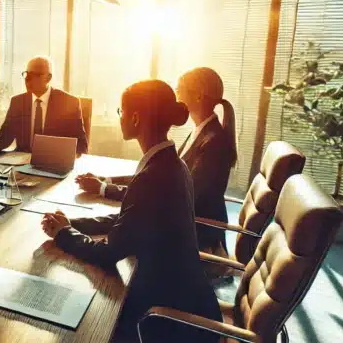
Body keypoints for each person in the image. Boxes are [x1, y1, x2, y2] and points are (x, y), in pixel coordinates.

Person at [41, 80, 222, 343]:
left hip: (173, 321)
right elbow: (126, 220)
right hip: (190, 301)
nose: (120, 117)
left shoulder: (154, 176)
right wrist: (71, 224)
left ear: (136, 118)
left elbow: (108, 253)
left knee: (77, 320)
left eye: (121, 111)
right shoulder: (172, 163)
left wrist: (64, 235)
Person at [75, 67, 236, 255]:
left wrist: (104, 190)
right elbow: (154, 177)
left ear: (198, 97)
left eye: (178, 91)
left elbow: (162, 189)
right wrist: (108, 181)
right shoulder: (200, 133)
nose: (174, 100)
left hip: (195, 235)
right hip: (176, 225)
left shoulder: (214, 142)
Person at [0, 56, 88, 156]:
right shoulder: (17, 102)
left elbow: (81, 146)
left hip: (54, 164)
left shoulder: (69, 102)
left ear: (48, 78)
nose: (27, 79)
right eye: (27, 74)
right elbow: (5, 136)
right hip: (21, 164)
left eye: (35, 75)